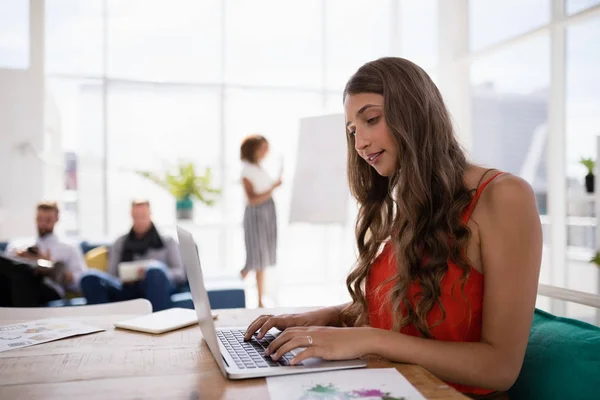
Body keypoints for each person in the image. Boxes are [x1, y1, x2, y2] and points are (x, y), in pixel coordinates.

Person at [243, 57, 542, 397]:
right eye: (353, 131)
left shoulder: (504, 197)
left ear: (415, 113)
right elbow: (403, 312)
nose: (359, 144)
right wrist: (321, 317)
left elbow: (500, 368)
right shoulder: (413, 205)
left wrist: (369, 339)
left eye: (371, 119)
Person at [79, 200, 186, 311]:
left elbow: (180, 273)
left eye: (143, 216)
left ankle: (158, 322)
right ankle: (102, 324)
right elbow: (111, 274)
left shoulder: (167, 241)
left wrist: (153, 272)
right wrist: (127, 276)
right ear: (131, 216)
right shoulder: (120, 242)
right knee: (89, 277)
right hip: (127, 287)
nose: (139, 221)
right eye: (136, 217)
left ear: (150, 215)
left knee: (154, 271)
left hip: (156, 286)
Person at [0, 201, 87, 306]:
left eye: (48, 220)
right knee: (15, 268)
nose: (43, 224)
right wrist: (20, 258)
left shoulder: (69, 248)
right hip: (16, 284)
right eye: (40, 219)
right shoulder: (17, 245)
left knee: (25, 274)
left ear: (57, 219)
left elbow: (81, 282)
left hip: (51, 289)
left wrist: (50, 267)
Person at [239, 134, 282, 308]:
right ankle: (236, 287)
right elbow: (252, 199)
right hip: (256, 216)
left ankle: (259, 300)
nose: (266, 151)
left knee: (261, 260)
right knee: (254, 259)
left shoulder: (258, 168)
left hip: (266, 215)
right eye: (263, 147)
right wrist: (273, 188)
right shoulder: (247, 170)